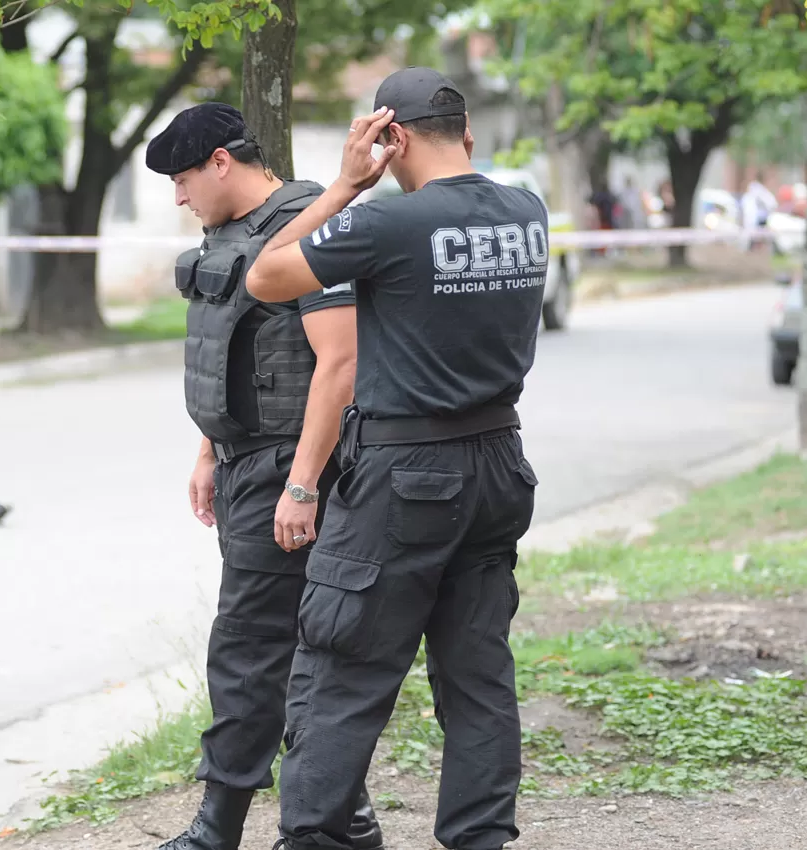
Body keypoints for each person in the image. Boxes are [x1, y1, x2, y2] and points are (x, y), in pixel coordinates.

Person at [246, 67, 544, 850]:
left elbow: (266, 274)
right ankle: (482, 838)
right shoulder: (527, 211)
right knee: (478, 674)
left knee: (342, 668)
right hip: (499, 465)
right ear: (468, 133)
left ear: (391, 138)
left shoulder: (390, 223)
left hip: (406, 477)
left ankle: (313, 838)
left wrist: (344, 184)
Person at [141, 102, 386, 850]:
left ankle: (219, 828)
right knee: (292, 648)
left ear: (222, 162)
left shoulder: (311, 220)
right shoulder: (227, 233)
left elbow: (339, 362)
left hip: (292, 466)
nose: (178, 197)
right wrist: (210, 450)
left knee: (249, 646)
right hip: (246, 463)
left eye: (183, 179)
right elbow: (230, 352)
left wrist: (303, 483)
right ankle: (349, 819)